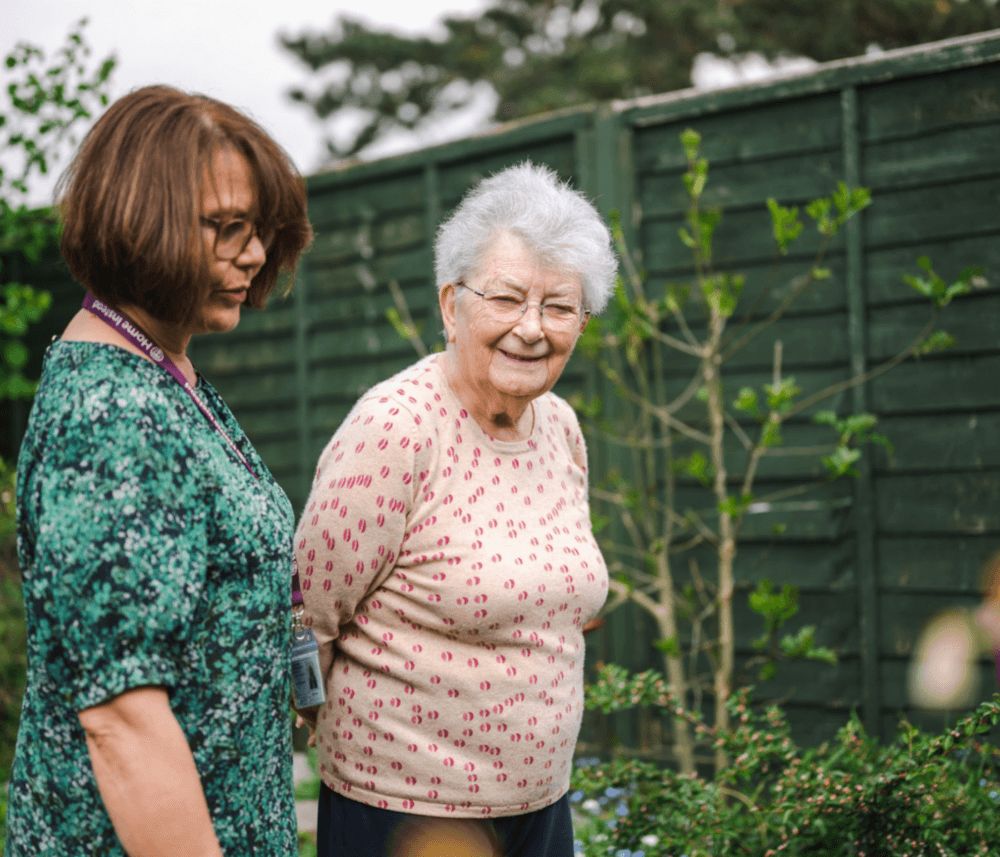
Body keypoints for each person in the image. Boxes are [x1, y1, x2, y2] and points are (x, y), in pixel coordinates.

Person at [7, 85, 311, 856]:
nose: (255, 254)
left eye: (262, 230)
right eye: (226, 229)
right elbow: (121, 720)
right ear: (142, 221)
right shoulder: (110, 415)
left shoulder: (164, 369)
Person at [294, 162, 617, 857]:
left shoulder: (559, 426)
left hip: (543, 802)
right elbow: (309, 613)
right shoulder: (395, 428)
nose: (532, 329)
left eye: (560, 307)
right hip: (405, 816)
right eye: (506, 298)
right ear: (451, 304)